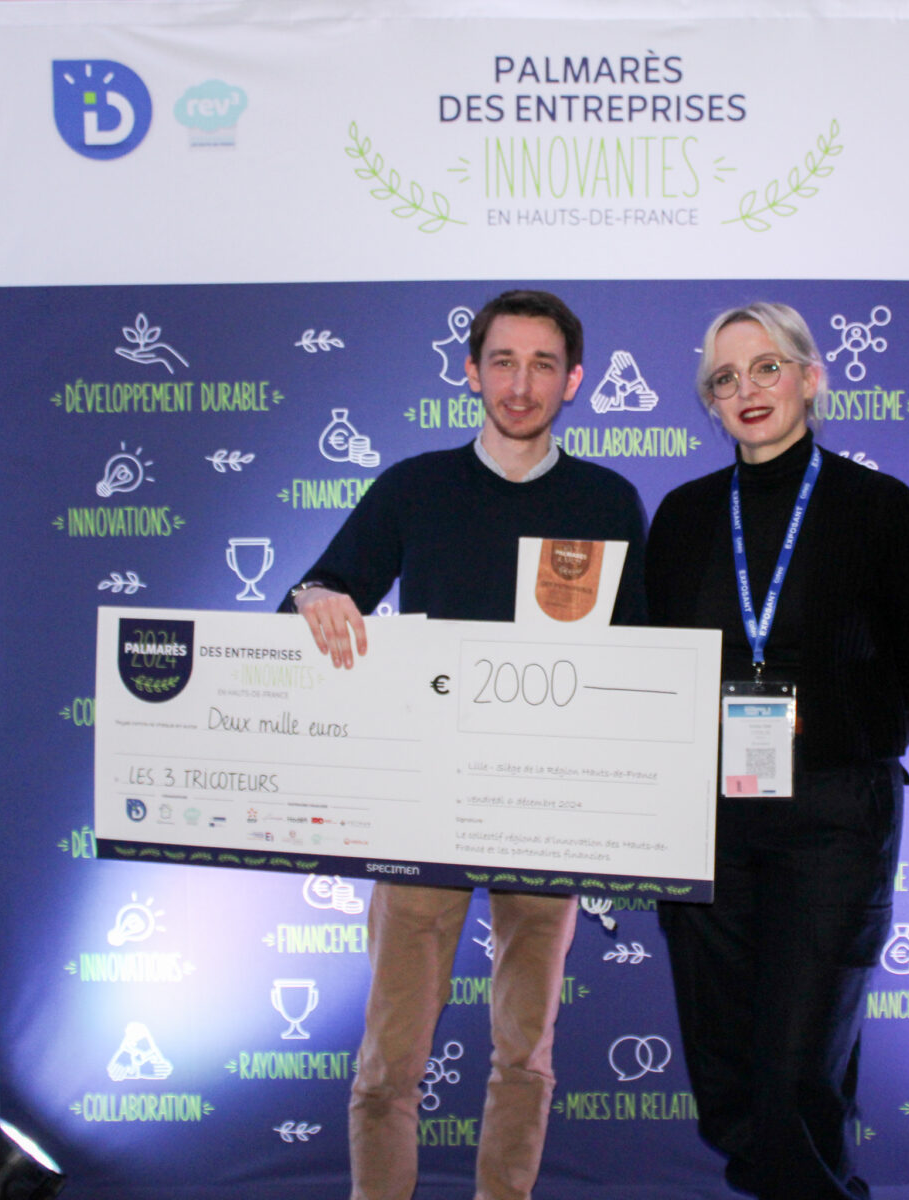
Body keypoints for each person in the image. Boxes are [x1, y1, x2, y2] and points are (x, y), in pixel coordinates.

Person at [283, 289, 646, 1200]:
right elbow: (321, 587)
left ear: (574, 381)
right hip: (423, 803)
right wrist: (315, 597)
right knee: (389, 1057)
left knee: (526, 1052)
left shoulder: (607, 501)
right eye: (503, 362)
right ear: (472, 372)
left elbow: (645, 664)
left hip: (547, 805)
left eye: (542, 365)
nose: (521, 384)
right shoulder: (414, 486)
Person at [645, 301, 909, 1200]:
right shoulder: (684, 516)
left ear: (810, 378)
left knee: (795, 1076)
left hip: (832, 821)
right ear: (710, 402)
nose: (747, 390)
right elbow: (654, 664)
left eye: (767, 368)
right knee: (726, 1076)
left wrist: (854, 741)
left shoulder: (880, 509)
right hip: (709, 826)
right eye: (724, 378)